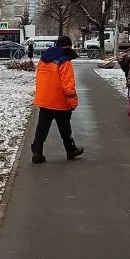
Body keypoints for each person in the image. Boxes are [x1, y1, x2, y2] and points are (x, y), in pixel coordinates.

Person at [30, 35, 83, 163]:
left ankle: (37, 152)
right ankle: (71, 150)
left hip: (44, 99)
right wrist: (73, 102)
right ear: (68, 47)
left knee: (42, 127)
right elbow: (68, 85)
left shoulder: (43, 59)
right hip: (60, 101)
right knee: (65, 127)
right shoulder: (64, 61)